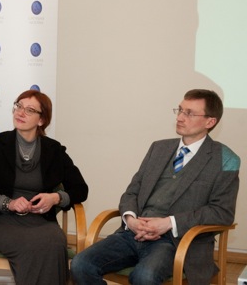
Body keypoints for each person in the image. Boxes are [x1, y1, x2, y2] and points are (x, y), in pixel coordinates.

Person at [71, 89, 240, 285]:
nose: (180, 117)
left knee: (144, 277)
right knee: (80, 264)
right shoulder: (159, 148)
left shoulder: (225, 159)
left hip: (176, 242)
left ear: (210, 122)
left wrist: (169, 223)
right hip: (133, 233)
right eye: (180, 110)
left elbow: (222, 212)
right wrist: (131, 220)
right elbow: (132, 191)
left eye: (189, 113)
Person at [0, 89, 88, 285]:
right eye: (19, 106)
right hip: (4, 221)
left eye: (30, 110)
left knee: (54, 242)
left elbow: (81, 189)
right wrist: (8, 203)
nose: (20, 112)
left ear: (42, 120)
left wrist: (56, 198)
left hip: (42, 222)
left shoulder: (54, 150)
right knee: (33, 245)